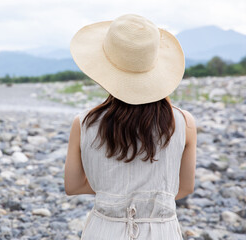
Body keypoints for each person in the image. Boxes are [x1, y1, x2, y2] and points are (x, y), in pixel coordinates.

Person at [64, 14, 197, 240]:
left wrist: (112, 193)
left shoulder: (84, 122)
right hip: (162, 231)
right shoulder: (184, 123)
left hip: (104, 230)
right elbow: (184, 188)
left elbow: (73, 186)